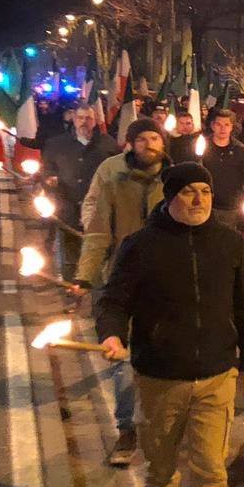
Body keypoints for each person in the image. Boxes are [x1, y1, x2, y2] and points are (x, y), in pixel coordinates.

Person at [97, 161, 244, 487]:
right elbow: (113, 301)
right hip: (160, 378)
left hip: (215, 377)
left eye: (205, 192)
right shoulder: (140, 246)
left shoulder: (229, 243)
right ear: (170, 197)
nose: (199, 200)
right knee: (162, 466)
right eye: (189, 192)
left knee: (211, 471)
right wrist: (111, 333)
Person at [77, 116, 168, 467]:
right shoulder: (112, 177)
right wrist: (85, 276)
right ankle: (127, 429)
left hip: (165, 281)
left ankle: (165, 426)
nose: (149, 144)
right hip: (123, 278)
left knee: (165, 356)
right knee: (123, 359)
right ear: (131, 143)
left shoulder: (176, 179)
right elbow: (98, 230)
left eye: (154, 138)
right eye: (141, 138)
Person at [41, 104, 118, 286]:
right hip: (67, 207)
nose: (84, 122)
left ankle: (94, 287)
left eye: (88, 118)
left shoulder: (107, 144)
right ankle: (72, 287)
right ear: (74, 119)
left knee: (97, 249)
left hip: (97, 209)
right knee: (70, 250)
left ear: (95, 121)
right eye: (80, 118)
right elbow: (47, 169)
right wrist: (50, 179)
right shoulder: (56, 144)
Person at [200, 107, 244, 228]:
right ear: (212, 126)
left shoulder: (240, 150)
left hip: (231, 208)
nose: (222, 128)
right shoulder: (203, 147)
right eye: (219, 124)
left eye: (226, 124)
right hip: (207, 205)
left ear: (231, 127)